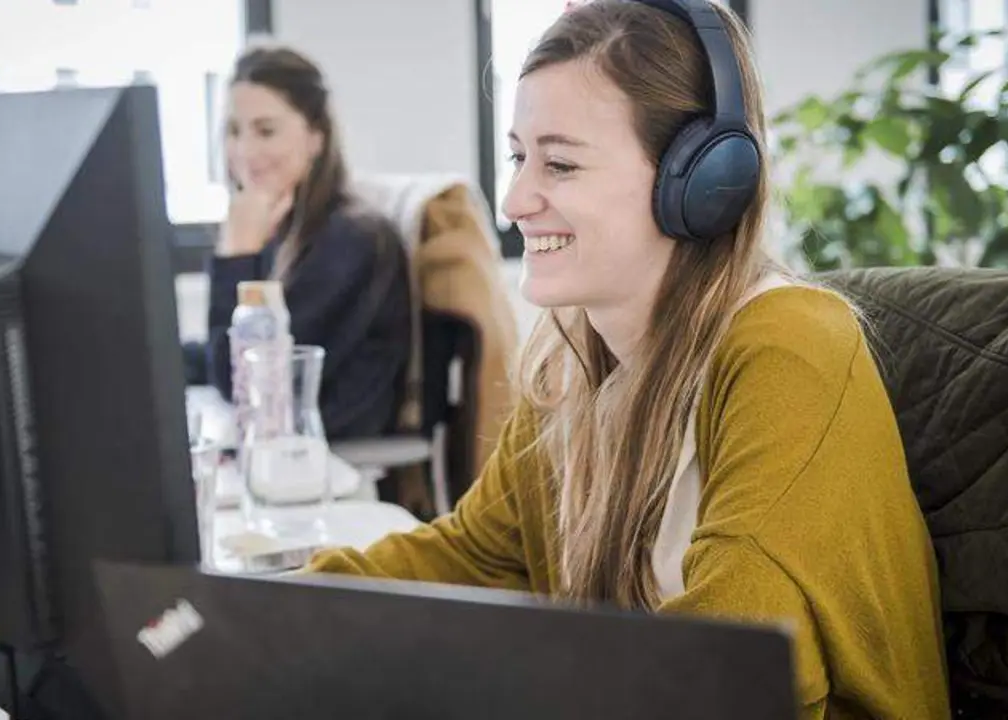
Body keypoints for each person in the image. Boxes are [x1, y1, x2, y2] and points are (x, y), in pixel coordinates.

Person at [307, 1, 952, 716]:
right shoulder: (568, 369)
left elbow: (725, 668)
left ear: (702, 182)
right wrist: (268, 609)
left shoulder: (790, 347)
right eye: (519, 157)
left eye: (560, 164)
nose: (515, 200)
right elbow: (470, 558)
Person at [207, 45, 411, 440]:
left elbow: (244, 382)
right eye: (234, 131)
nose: (244, 151)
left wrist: (236, 256)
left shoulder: (351, 239)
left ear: (316, 137)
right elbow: (224, 357)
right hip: (289, 440)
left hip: (326, 452)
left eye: (266, 131)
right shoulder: (285, 228)